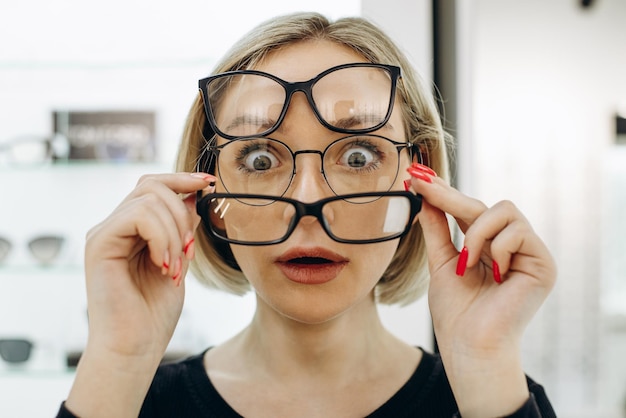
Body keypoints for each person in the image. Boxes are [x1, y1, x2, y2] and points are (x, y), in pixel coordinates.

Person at [56, 12, 557, 418]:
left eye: (358, 156)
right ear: (206, 194)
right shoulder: (127, 401)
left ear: (420, 185)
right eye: (259, 159)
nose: (309, 202)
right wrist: (117, 363)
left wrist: (485, 370)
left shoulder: (497, 396)